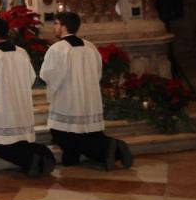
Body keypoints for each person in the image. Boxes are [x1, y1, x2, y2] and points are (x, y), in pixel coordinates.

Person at [40, 12, 133, 170]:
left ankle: (113, 147)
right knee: (87, 134)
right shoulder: (90, 46)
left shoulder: (58, 49)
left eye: (56, 23)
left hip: (68, 100)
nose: (54, 27)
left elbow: (48, 74)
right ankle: (74, 158)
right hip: (89, 99)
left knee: (61, 134)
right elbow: (98, 73)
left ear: (63, 26)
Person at [0, 18, 56, 177]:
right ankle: (42, 155)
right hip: (21, 107)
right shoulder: (21, 52)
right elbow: (31, 78)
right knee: (20, 140)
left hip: (0, 109)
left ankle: (31, 160)